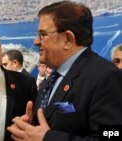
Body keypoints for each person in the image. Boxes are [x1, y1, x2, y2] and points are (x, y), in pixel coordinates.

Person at [7, 1, 122, 141]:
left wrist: (47, 138)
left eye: (42, 34)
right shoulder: (50, 81)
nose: (36, 42)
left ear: (68, 39)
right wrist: (30, 128)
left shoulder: (106, 76)